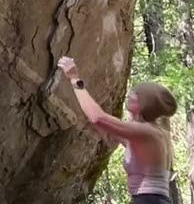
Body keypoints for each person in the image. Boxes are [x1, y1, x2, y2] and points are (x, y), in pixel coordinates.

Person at [57, 56, 177, 204]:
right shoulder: (148, 134)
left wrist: (74, 79)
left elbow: (97, 117)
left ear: (143, 104)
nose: (130, 95)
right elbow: (107, 131)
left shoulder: (148, 132)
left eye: (135, 94)